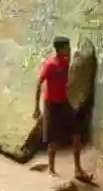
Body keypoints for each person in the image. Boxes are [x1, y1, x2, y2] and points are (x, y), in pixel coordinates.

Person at [33, 35, 93, 182]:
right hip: (51, 104)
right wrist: (36, 108)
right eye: (67, 47)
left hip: (64, 103)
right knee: (53, 139)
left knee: (76, 135)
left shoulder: (66, 62)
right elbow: (39, 83)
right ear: (60, 49)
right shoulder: (50, 65)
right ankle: (51, 169)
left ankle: (78, 169)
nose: (69, 49)